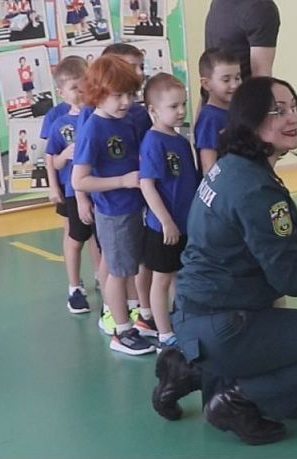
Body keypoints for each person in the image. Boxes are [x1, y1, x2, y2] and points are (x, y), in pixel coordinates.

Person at [152, 77, 297, 445]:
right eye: (277, 111)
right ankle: (235, 400)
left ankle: (189, 369)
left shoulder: (229, 166)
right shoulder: (259, 188)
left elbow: (234, 228)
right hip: (227, 323)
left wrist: (296, 234)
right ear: (250, 121)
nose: (292, 117)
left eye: (294, 106)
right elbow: (293, 280)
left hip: (195, 315)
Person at [71, 55, 154, 355]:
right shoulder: (94, 128)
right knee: (118, 273)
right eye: (117, 95)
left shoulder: (127, 119)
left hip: (135, 205)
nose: (125, 102)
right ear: (98, 93)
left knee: (131, 267)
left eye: (130, 95)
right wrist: (122, 181)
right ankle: (122, 330)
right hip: (114, 210)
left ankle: (137, 321)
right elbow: (80, 179)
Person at [139, 73, 199, 351]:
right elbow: (147, 185)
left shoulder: (181, 140)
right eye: (173, 107)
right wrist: (166, 222)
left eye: (183, 105)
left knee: (179, 276)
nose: (181, 111)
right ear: (153, 110)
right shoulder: (153, 142)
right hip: (164, 227)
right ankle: (163, 332)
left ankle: (179, 322)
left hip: (185, 224)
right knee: (162, 279)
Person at [45, 55, 101, 314]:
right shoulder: (58, 120)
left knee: (99, 239)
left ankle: (103, 278)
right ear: (62, 91)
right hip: (71, 189)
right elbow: (52, 160)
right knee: (76, 236)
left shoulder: (96, 112)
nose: (79, 93)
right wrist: (59, 166)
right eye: (73, 88)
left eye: (83, 86)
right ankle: (74, 287)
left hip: (98, 188)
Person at [204, 0, 279, 80]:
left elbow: (261, 77)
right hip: (211, 90)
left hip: (242, 91)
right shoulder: (218, 3)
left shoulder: (261, 8)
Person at [194, 48, 241, 174]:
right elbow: (208, 166)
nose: (234, 85)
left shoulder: (236, 112)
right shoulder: (210, 118)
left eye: (237, 77)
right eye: (226, 80)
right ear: (206, 84)